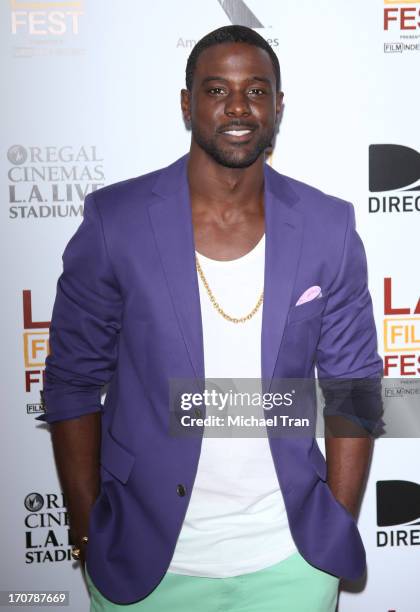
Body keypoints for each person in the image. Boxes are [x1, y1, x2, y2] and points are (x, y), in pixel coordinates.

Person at [38, 25, 383, 612]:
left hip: (290, 562)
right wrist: (87, 526)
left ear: (278, 105)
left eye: (256, 90)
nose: (238, 107)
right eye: (217, 90)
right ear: (186, 103)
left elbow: (353, 386)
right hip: (145, 564)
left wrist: (335, 525)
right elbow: (71, 383)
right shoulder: (115, 221)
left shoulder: (329, 226)